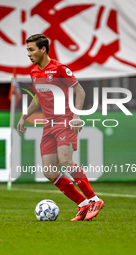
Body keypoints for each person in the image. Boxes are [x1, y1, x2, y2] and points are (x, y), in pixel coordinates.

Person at [17, 34, 104, 221]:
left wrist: (76, 115)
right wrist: (24, 116)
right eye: (27, 50)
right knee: (49, 171)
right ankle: (82, 204)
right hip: (48, 125)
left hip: (64, 121)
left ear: (43, 49)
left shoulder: (59, 69)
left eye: (31, 50)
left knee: (66, 161)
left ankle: (94, 199)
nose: (29, 54)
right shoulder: (34, 72)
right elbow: (38, 97)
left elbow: (79, 90)